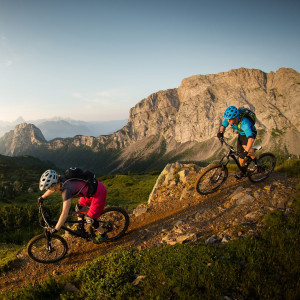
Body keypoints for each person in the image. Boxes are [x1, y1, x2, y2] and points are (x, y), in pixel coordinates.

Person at [38, 169, 108, 243]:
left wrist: (56, 229)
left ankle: (103, 235)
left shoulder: (66, 190)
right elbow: (52, 189)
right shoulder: (60, 180)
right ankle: (81, 228)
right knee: (79, 208)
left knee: (90, 219)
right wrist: (42, 197)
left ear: (53, 184)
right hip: (88, 193)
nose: (47, 189)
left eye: (48, 187)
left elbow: (64, 213)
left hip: (98, 193)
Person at [217, 106, 257, 179]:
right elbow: (223, 125)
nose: (229, 121)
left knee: (245, 147)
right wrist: (221, 132)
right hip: (241, 133)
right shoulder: (230, 119)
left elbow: (250, 139)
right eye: (228, 119)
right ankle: (243, 171)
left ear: (236, 117)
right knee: (240, 153)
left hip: (250, 133)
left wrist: (246, 152)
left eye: (231, 119)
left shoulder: (245, 124)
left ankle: (255, 162)